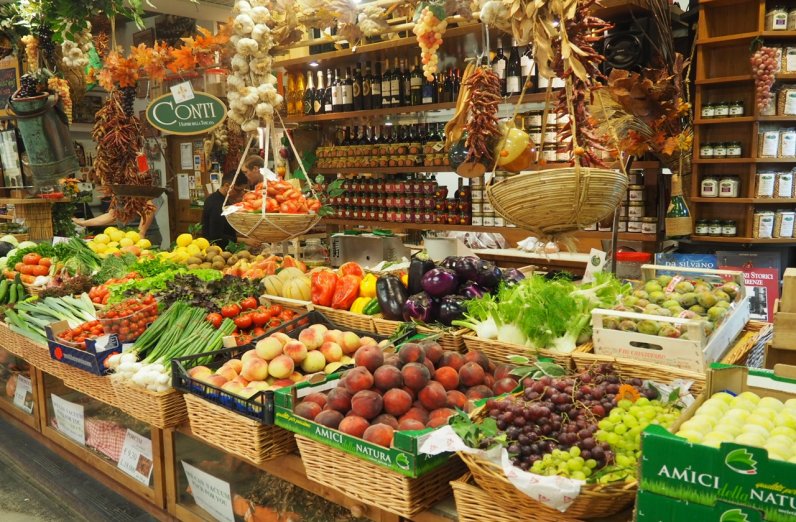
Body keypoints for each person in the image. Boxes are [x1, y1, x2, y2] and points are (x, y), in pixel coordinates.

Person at [73, 195, 164, 248]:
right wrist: (83, 223)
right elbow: (112, 215)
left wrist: (141, 232)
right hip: (127, 239)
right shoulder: (118, 193)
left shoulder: (132, 189)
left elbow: (149, 209)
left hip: (146, 238)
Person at [202, 171, 258, 249]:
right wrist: (245, 240)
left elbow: (226, 229)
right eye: (239, 190)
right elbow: (216, 236)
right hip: (215, 250)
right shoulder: (216, 204)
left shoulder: (223, 199)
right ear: (227, 186)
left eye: (244, 190)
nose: (242, 193)